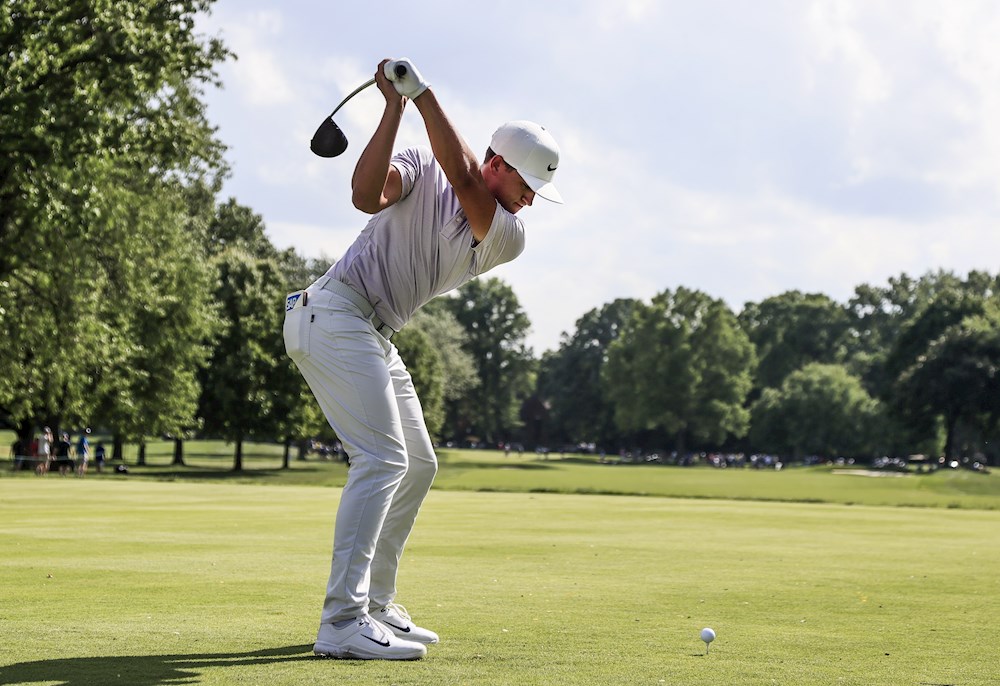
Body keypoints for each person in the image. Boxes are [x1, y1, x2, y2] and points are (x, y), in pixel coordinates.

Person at [284, 57, 562, 661]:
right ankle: (341, 621)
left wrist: (424, 93)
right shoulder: (420, 161)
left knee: (419, 464)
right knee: (384, 459)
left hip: (371, 330)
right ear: (500, 164)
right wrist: (394, 107)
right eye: (528, 187)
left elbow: (465, 182)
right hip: (333, 313)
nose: (532, 202)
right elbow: (364, 195)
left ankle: (376, 605)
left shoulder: (508, 233)